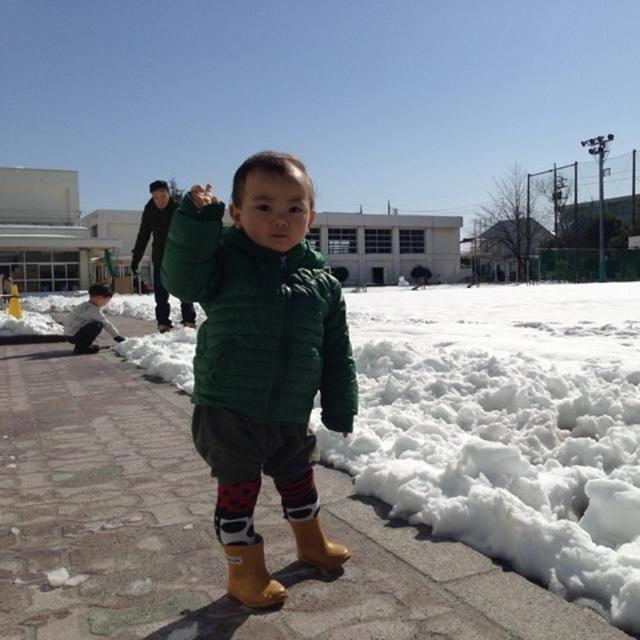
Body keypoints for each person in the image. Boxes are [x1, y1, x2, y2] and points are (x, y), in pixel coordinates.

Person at [162, 151, 358, 609]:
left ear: (309, 216)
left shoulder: (322, 283)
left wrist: (340, 404)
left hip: (290, 412)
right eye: (263, 207)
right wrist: (196, 220)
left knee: (299, 480)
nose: (280, 220)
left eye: (294, 209)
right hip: (229, 409)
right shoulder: (224, 260)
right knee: (239, 492)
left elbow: (336, 351)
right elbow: (181, 278)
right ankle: (245, 573)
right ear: (235, 213)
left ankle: (311, 543)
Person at [131, 180, 197, 333]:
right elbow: (143, 236)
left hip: (179, 255)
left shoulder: (179, 209)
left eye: (163, 196)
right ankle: (163, 323)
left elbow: (191, 231)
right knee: (161, 292)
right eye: (156, 197)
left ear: (169, 194)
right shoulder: (149, 211)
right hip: (160, 256)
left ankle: (189, 320)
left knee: (184, 289)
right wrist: (136, 259)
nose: (160, 200)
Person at [64, 283, 126, 354]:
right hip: (74, 336)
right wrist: (117, 336)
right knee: (97, 325)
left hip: (69, 334)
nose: (106, 304)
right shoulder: (93, 310)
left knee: (93, 325)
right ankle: (81, 349)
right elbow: (106, 323)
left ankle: (82, 346)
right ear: (99, 298)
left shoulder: (84, 305)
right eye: (106, 301)